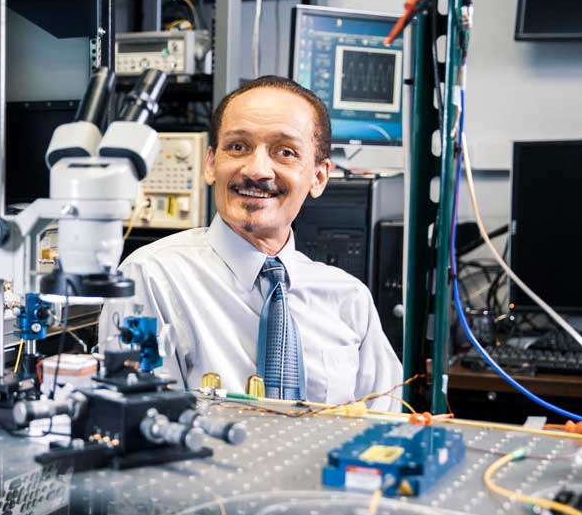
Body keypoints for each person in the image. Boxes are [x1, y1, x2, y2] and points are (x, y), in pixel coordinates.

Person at [99, 75, 402, 409]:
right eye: (238, 147)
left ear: (319, 177)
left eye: (284, 152)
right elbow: (140, 424)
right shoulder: (152, 278)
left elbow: (386, 421)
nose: (257, 170)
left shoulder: (349, 298)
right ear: (211, 164)